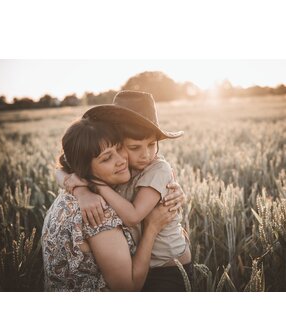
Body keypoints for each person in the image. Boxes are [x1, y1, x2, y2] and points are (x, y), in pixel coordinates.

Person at [57, 91, 192, 291]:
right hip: (140, 263)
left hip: (168, 267)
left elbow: (133, 216)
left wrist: (97, 185)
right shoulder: (118, 166)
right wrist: (80, 190)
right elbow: (62, 171)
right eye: (134, 147)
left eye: (152, 145)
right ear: (117, 142)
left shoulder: (158, 169)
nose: (146, 154)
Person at [41, 117, 177, 292]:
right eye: (106, 158)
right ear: (84, 168)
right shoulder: (97, 211)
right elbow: (128, 288)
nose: (121, 160)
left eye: (119, 148)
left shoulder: (69, 192)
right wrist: (152, 228)